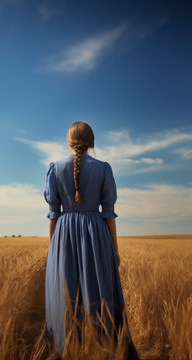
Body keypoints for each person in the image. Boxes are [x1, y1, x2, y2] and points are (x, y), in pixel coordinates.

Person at [44, 121, 139, 359]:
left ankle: (66, 348)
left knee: (66, 293)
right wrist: (114, 248)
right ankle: (105, 346)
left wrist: (52, 248)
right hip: (95, 233)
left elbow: (53, 214)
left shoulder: (55, 168)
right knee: (100, 290)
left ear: (69, 141)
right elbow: (108, 213)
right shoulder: (103, 168)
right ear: (91, 142)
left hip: (63, 233)